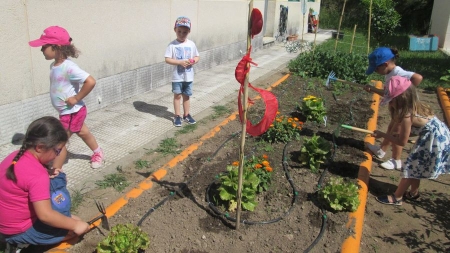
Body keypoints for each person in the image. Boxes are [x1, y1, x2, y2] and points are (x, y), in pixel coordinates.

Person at [0, 116, 90, 245]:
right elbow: (45, 216)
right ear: (40, 148)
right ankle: (20, 244)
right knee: (74, 230)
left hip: (6, 223)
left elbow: (23, 180)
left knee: (72, 220)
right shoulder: (38, 175)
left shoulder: (15, 156)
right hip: (18, 231)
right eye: (57, 151)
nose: (58, 155)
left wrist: (47, 172)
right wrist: (75, 225)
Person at [28, 26, 104, 169]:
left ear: (56, 47)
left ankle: (55, 169)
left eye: (44, 46)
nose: (41, 49)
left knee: (59, 141)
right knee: (84, 132)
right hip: (67, 111)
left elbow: (90, 81)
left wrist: (76, 98)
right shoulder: (54, 66)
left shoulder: (69, 67)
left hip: (73, 111)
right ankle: (98, 152)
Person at [371, 77, 450, 205]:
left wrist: (383, 135)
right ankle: (413, 193)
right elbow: (420, 128)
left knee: (410, 167)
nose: (390, 104)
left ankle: (397, 197)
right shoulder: (415, 105)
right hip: (439, 136)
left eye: (392, 101)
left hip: (433, 141)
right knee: (416, 166)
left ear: (401, 99)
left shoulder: (407, 115)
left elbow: (402, 142)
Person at [364, 47, 423, 170]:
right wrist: (373, 89)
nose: (375, 71)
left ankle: (396, 160)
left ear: (385, 64)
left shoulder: (398, 73)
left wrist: (407, 91)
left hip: (405, 108)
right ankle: (381, 150)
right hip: (400, 107)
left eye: (376, 68)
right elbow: (388, 93)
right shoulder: (389, 73)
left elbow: (418, 77)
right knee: (391, 128)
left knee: (397, 133)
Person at [165, 16, 200, 127]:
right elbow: (167, 59)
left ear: (188, 32)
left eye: (184, 32)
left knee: (187, 96)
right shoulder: (172, 45)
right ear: (175, 30)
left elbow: (197, 56)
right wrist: (179, 62)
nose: (181, 34)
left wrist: (193, 60)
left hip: (188, 77)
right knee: (177, 96)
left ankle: (186, 114)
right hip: (177, 77)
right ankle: (177, 115)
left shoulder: (191, 44)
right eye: (179, 31)